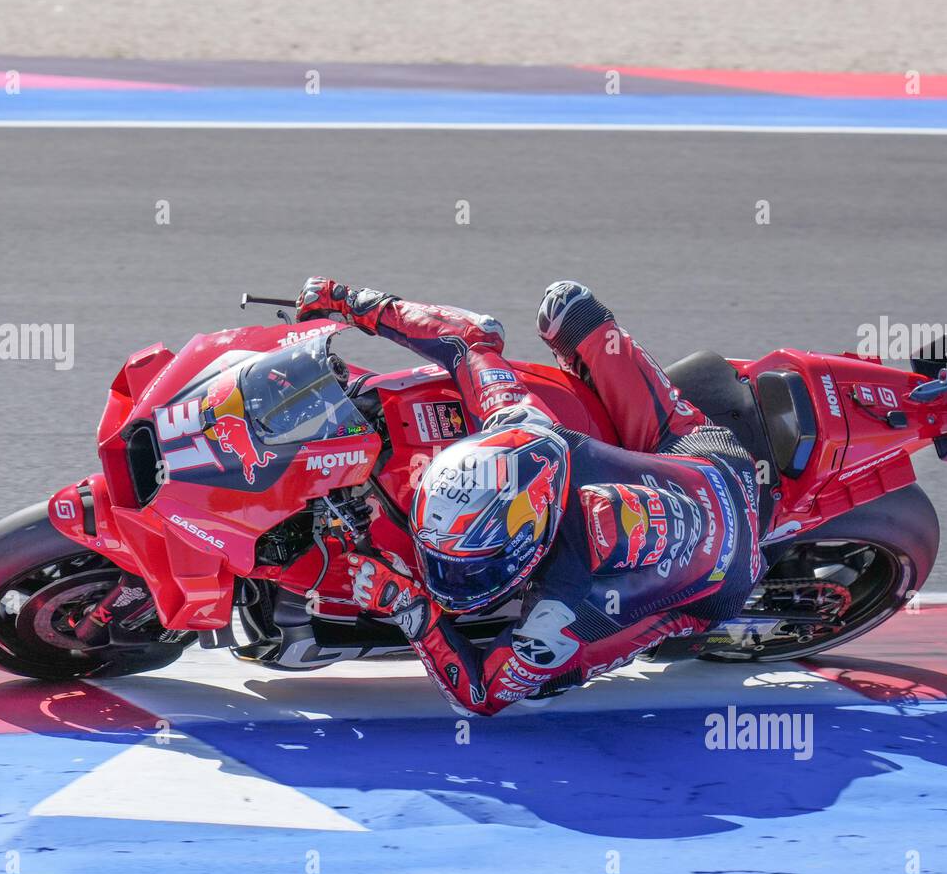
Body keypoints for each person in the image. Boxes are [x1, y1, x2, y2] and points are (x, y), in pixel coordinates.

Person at [295, 277, 764, 716]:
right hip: (704, 460)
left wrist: (408, 607)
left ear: (528, 543)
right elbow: (468, 337)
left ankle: (672, 630)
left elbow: (479, 695)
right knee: (567, 305)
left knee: (539, 686)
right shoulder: (521, 426)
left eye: (469, 565)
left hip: (723, 577)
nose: (450, 577)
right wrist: (354, 303)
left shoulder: (554, 614)